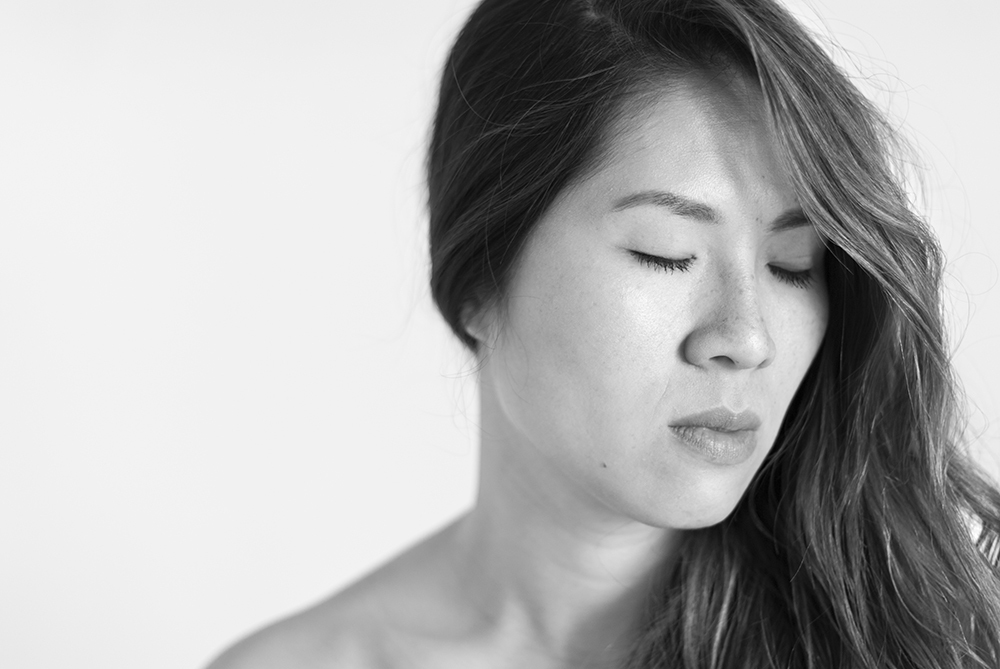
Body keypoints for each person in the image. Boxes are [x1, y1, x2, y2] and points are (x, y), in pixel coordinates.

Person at [206, 0, 1000, 667]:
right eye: (666, 253)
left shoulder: (933, 641)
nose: (746, 336)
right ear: (480, 278)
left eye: (793, 265)